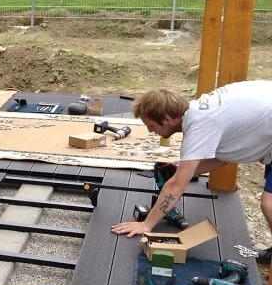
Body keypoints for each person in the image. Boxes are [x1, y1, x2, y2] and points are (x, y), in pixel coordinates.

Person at [111, 81, 272, 240]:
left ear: (167, 119)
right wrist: (180, 172)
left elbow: (177, 185)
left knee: (269, 204)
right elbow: (224, 156)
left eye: (151, 126)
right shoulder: (200, 112)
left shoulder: (200, 126)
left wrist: (147, 224)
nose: (150, 131)